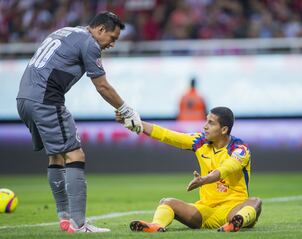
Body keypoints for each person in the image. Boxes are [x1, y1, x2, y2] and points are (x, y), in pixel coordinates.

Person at [16, 12, 142, 233]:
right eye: (112, 38)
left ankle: (65, 218)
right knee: (75, 155)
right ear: (100, 30)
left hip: (24, 99)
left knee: (56, 154)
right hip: (46, 99)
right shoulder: (89, 42)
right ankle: (79, 224)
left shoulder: (66, 31)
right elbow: (102, 85)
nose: (112, 44)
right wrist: (125, 108)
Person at [117, 106, 262, 232]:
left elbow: (225, 169)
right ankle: (156, 226)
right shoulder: (199, 142)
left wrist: (204, 180)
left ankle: (235, 223)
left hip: (232, 209)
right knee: (166, 202)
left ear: (224, 129)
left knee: (255, 202)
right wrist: (136, 123)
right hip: (205, 212)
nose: (205, 126)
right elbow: (167, 135)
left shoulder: (240, 149)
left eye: (211, 123)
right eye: (206, 121)